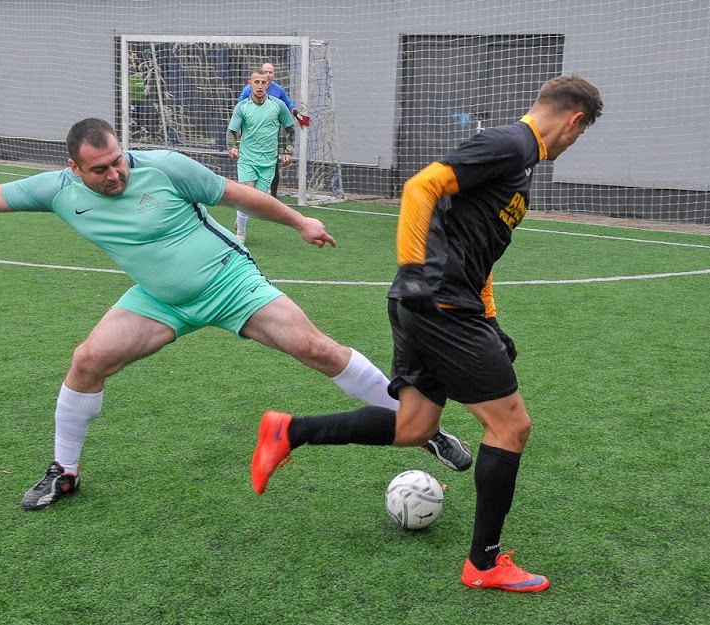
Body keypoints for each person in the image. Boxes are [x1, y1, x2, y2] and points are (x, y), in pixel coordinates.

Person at [0, 117, 405, 511]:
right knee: (87, 360)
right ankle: (64, 473)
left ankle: (412, 426)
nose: (115, 174)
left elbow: (236, 193)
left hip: (229, 283)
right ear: (73, 168)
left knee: (316, 349)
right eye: (99, 169)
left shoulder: (164, 166)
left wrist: (300, 221)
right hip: (157, 299)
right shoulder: (57, 191)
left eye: (117, 160)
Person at [250, 75, 603, 593]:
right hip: (438, 302)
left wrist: (490, 318)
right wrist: (415, 270)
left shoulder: (521, 164)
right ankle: (484, 564)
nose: (573, 144)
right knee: (511, 427)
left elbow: (476, 250)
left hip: (441, 302)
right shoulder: (511, 143)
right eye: (580, 134)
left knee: (415, 425)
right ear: (574, 120)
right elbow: (422, 185)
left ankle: (290, 431)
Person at [228, 69, 298, 244]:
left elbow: (290, 129)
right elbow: (232, 131)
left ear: (268, 84)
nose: (259, 85)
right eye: (256, 82)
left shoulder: (278, 106)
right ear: (249, 84)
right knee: (246, 196)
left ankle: (241, 216)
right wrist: (232, 147)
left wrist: (288, 151)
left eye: (263, 82)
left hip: (268, 162)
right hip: (247, 159)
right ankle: (241, 234)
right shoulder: (242, 107)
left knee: (255, 202)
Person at [238, 62, 310, 200]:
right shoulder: (249, 89)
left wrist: (297, 115)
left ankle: (274, 196)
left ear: (273, 74)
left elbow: (288, 104)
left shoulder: (278, 90)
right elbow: (240, 106)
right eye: (265, 72)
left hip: (271, 131)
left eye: (270, 72)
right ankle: (250, 194)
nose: (268, 75)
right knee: (250, 165)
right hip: (252, 133)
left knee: (272, 163)